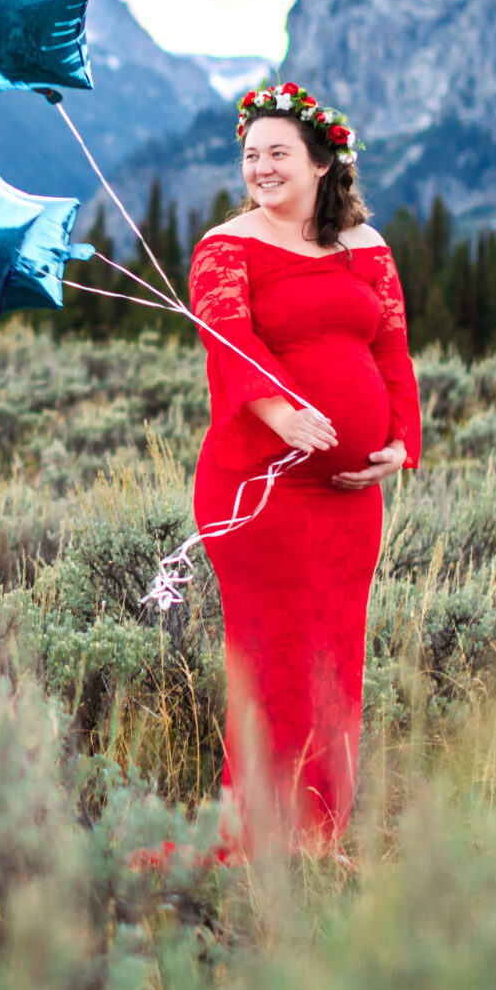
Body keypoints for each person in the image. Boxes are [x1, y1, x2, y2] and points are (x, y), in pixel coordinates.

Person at [189, 81, 419, 855]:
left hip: (349, 498)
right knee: (275, 658)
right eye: (251, 155)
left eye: (278, 153)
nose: (261, 167)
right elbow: (229, 343)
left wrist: (398, 441)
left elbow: (390, 349)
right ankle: (256, 839)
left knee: (335, 657)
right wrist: (280, 412)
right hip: (263, 490)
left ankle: (318, 836)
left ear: (323, 162)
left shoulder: (369, 249)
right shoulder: (226, 247)